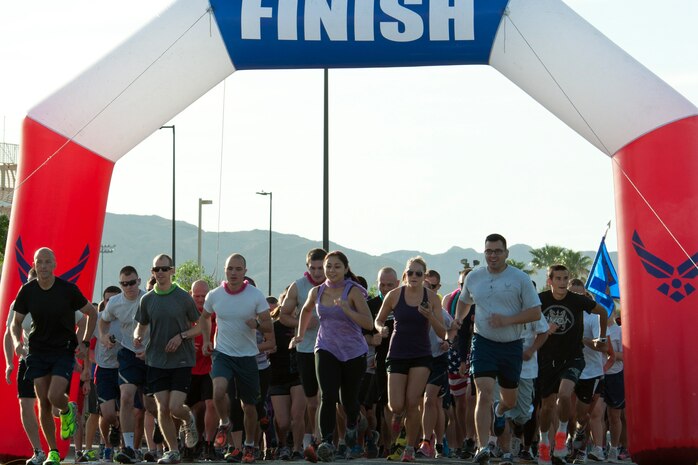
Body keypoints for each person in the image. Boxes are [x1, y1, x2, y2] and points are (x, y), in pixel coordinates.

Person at [455, 234, 542, 465]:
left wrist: (508, 320)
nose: (492, 255)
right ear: (484, 253)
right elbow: (464, 301)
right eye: (488, 251)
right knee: (483, 392)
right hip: (483, 342)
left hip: (512, 346)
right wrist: (457, 319)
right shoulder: (475, 277)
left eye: (497, 251)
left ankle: (500, 412)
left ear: (506, 253)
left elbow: (535, 313)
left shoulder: (519, 278)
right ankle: (482, 447)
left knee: (509, 402)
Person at [11, 247, 97, 465]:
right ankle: (53, 452)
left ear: (55, 264)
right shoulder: (27, 291)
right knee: (44, 403)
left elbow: (92, 313)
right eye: (39, 262)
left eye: (47, 262)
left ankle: (68, 409)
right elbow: (15, 323)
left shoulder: (67, 289)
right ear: (34, 265)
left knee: (54, 395)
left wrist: (85, 343)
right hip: (37, 351)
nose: (43, 266)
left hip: (62, 349)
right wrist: (16, 343)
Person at [291, 251, 374, 462]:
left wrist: (348, 309)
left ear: (345, 269)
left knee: (348, 399)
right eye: (329, 266)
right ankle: (326, 442)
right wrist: (299, 335)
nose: (331, 270)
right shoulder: (317, 291)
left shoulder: (353, 291)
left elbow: (368, 323)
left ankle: (352, 430)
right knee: (327, 395)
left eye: (337, 266)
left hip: (353, 351)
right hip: (326, 347)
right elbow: (306, 310)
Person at [199, 253, 273, 464]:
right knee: (219, 391)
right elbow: (204, 318)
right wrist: (206, 340)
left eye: (238, 269)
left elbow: (269, 327)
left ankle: (249, 445)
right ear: (225, 270)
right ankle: (224, 423)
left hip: (247, 356)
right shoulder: (214, 295)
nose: (233, 273)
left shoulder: (255, 295)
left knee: (249, 407)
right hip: (223, 353)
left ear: (245, 272)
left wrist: (257, 325)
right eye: (230, 269)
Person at [375, 256, 446, 462]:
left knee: (413, 402)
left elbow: (443, 333)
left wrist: (430, 316)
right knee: (396, 405)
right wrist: (382, 329)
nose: (414, 276)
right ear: (405, 275)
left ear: (424, 277)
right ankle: (399, 418)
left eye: (419, 273)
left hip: (421, 354)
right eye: (410, 273)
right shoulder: (394, 295)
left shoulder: (432, 298)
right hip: (397, 352)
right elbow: (378, 319)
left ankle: (409, 448)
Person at [133, 254, 201, 465]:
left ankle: (187, 418)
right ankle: (173, 451)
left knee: (174, 407)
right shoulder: (147, 300)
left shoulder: (183, 297)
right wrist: (138, 336)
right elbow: (141, 325)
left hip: (181, 359)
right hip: (156, 360)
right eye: (156, 269)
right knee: (162, 408)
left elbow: (199, 327)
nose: (160, 273)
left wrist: (181, 337)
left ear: (172, 271)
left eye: (164, 269)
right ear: (152, 272)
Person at [536, 269, 607, 465]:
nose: (562, 282)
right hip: (547, 360)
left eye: (565, 278)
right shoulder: (539, 299)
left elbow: (602, 311)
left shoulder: (577, 300)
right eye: (558, 278)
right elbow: (527, 318)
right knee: (547, 408)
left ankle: (561, 435)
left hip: (573, 358)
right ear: (550, 280)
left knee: (565, 395)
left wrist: (601, 336)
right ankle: (543, 443)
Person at [99, 265, 155, 464]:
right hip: (128, 354)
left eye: (132, 282)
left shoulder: (149, 298)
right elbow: (103, 320)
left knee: (151, 405)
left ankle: (166, 441)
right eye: (124, 283)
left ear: (139, 281)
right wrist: (104, 336)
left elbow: (161, 325)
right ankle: (129, 447)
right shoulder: (114, 302)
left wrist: (150, 349)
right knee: (126, 397)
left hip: (151, 354)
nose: (129, 287)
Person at [277, 248, 327, 461]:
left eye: (320, 268)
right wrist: (303, 323)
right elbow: (283, 316)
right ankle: (311, 440)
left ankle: (328, 439)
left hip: (332, 348)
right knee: (312, 400)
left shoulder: (338, 285)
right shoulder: (298, 286)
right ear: (307, 267)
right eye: (313, 268)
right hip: (306, 349)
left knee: (328, 397)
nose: (317, 273)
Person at [367, 267, 401, 458]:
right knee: (387, 404)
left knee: (406, 404)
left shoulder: (404, 300)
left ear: (397, 284)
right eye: (382, 284)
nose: (386, 288)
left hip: (406, 357)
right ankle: (390, 443)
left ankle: (405, 440)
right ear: (377, 283)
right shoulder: (371, 304)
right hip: (382, 360)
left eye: (390, 284)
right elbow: (360, 334)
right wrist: (372, 339)